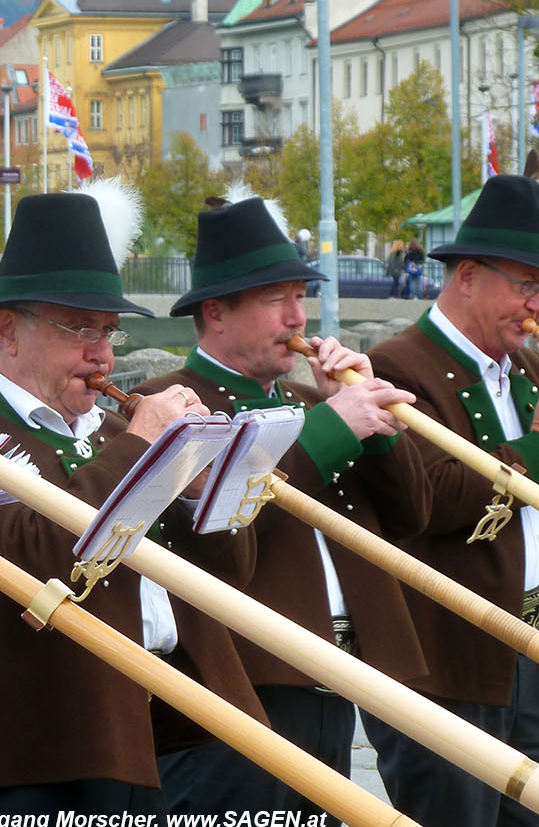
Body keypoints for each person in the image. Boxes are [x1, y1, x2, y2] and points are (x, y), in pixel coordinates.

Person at [0, 189, 209, 817]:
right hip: (13, 770)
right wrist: (143, 448)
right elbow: (42, 557)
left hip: (131, 741)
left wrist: (203, 476)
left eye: (107, 331)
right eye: (79, 328)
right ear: (7, 330)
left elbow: (218, 575)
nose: (102, 354)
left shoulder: (106, 439)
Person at [135, 193, 430, 823]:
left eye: (301, 297)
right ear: (216, 312)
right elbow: (216, 524)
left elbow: (412, 516)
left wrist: (374, 420)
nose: (300, 317)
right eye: (279, 300)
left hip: (335, 675)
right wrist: (326, 429)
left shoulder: (308, 398)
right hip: (244, 682)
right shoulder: (168, 403)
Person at [364, 174, 539, 827]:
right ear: (469, 277)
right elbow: (441, 503)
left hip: (529, 655)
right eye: (524, 285)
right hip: (444, 664)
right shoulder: (399, 367)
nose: (537, 307)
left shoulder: (531, 367)